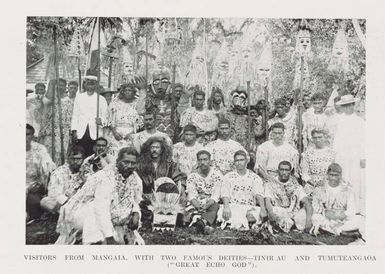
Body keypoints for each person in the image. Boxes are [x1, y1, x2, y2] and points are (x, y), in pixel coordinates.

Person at [56, 147, 143, 245]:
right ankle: (94, 242)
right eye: (126, 162)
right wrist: (109, 237)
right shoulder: (105, 178)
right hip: (82, 211)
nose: (129, 166)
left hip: (107, 211)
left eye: (133, 163)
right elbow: (100, 208)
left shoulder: (135, 179)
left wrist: (136, 213)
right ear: (118, 162)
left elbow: (135, 201)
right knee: (94, 208)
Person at [137, 137, 187, 226]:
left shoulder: (170, 164)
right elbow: (136, 183)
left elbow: (179, 178)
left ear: (162, 149)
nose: (154, 150)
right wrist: (145, 195)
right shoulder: (141, 165)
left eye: (157, 147)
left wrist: (181, 191)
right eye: (152, 147)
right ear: (148, 149)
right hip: (147, 197)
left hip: (167, 199)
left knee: (181, 204)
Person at [311, 163, 365, 241]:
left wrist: (341, 216)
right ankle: (342, 232)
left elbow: (352, 209)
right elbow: (316, 207)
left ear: (340, 175)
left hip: (343, 219)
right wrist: (325, 213)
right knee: (315, 217)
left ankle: (336, 230)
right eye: (331, 175)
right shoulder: (319, 189)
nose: (333, 178)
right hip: (327, 218)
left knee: (360, 219)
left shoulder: (348, 190)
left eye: (336, 175)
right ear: (327, 175)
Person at [217, 150, 266, 230]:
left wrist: (263, 209)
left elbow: (259, 193)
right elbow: (225, 193)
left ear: (246, 161)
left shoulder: (254, 177)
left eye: (241, 160)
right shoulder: (228, 176)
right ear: (234, 162)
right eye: (237, 160)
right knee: (221, 211)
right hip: (233, 206)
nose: (239, 162)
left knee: (257, 213)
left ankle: (238, 222)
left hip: (249, 207)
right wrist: (226, 207)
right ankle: (245, 222)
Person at [333, 94, 365, 214]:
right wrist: (335, 155)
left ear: (353, 105)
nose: (347, 108)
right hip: (341, 154)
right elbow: (336, 138)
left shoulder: (359, 121)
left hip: (355, 154)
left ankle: (355, 207)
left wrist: (363, 157)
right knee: (343, 178)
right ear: (342, 107)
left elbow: (363, 140)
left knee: (355, 179)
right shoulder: (338, 120)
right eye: (345, 106)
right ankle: (341, 206)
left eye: (349, 105)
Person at [265, 161, 313, 233]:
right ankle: (287, 224)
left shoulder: (296, 185)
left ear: (290, 172)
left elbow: (307, 203)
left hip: (293, 213)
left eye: (286, 170)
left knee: (308, 213)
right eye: (282, 169)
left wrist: (309, 221)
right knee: (272, 211)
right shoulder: (270, 184)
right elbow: (267, 201)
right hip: (278, 212)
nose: (284, 172)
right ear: (278, 171)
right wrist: (271, 215)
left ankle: (290, 224)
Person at [40, 146, 86, 213]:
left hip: (79, 202)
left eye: (78, 159)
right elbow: (53, 194)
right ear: (68, 159)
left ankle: (67, 213)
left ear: (83, 159)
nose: (75, 161)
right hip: (64, 203)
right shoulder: (58, 172)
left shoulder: (85, 172)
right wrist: (67, 199)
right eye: (73, 159)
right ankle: (69, 213)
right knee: (45, 201)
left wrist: (84, 180)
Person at [71, 75, 108, 157]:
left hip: (95, 132)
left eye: (93, 84)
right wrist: (74, 131)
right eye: (88, 83)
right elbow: (75, 115)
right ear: (85, 84)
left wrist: (101, 121)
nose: (90, 85)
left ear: (96, 85)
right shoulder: (79, 97)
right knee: (80, 153)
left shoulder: (101, 99)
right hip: (81, 131)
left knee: (93, 154)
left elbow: (106, 117)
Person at [185, 150, 223, 233]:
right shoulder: (192, 176)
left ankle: (202, 222)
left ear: (210, 161)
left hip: (211, 202)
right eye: (200, 160)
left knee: (215, 207)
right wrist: (198, 205)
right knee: (187, 206)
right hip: (196, 202)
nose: (202, 162)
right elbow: (191, 194)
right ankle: (202, 223)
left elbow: (216, 194)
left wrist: (206, 205)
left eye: (205, 160)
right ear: (197, 161)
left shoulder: (217, 174)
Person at [39, 79, 73, 165]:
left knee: (60, 155)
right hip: (50, 131)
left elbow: (70, 119)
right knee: (48, 154)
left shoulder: (69, 101)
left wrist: (69, 133)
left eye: (62, 85)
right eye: (58, 85)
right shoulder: (50, 99)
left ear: (65, 87)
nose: (60, 87)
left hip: (63, 133)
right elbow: (45, 103)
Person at [26, 124, 56, 222]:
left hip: (33, 186)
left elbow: (49, 166)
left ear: (32, 136)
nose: (24, 138)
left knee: (34, 203)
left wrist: (42, 185)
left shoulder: (39, 149)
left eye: (27, 134)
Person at [106, 83, 143, 156]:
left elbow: (140, 121)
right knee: (114, 154)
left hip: (132, 132)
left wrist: (132, 133)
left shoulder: (137, 104)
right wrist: (114, 132)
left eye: (130, 90)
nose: (128, 92)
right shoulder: (114, 103)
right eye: (126, 90)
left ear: (134, 92)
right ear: (122, 91)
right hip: (116, 132)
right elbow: (109, 118)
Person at [300, 129, 336, 196]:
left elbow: (335, 172)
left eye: (320, 137)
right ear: (312, 139)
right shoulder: (307, 153)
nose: (318, 140)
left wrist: (325, 182)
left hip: (327, 184)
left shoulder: (333, 153)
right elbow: (304, 173)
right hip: (311, 185)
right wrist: (313, 183)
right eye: (315, 138)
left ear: (325, 138)